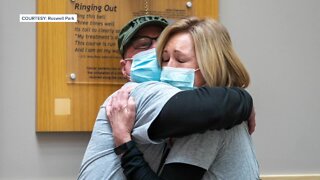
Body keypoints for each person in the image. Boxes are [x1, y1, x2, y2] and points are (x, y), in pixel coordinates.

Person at [78, 15, 256, 180]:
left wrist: (124, 142)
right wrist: (243, 99)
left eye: (180, 60)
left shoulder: (212, 121)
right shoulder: (133, 94)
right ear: (125, 66)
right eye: (163, 59)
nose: (167, 68)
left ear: (210, 65)